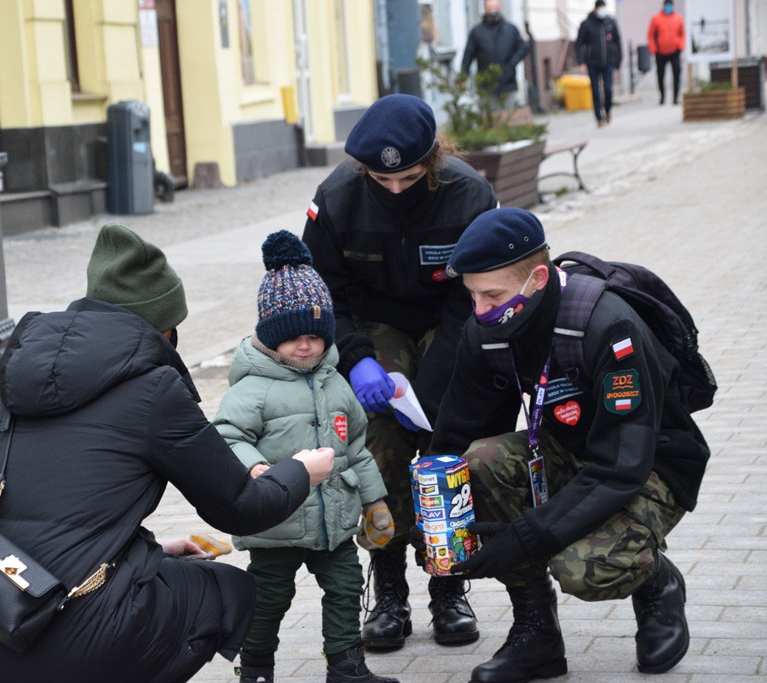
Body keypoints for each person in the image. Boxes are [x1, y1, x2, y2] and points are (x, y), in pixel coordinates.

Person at [0, 223, 336, 683]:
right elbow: (241, 507)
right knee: (225, 592)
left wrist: (150, 552)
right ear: (164, 324)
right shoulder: (153, 389)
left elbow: (44, 512)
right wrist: (301, 471)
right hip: (67, 637)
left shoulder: (20, 376)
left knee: (158, 580)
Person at [425, 207, 708, 682]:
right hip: (571, 452)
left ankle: (656, 580)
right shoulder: (487, 329)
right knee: (473, 467)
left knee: (586, 568)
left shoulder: (607, 327)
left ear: (537, 278)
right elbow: (458, 432)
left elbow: (620, 468)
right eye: (471, 295)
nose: (478, 310)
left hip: (649, 465)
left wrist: (527, 535)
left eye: (491, 294)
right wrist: (433, 515)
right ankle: (537, 635)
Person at [301, 93, 497, 651]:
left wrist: (434, 384)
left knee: (446, 439)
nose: (393, 188)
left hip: (451, 320)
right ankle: (388, 587)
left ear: (432, 160)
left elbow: (476, 296)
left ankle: (448, 584)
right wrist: (358, 356)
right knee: (376, 440)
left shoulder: (469, 194)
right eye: (380, 179)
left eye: (408, 178)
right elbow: (325, 295)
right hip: (372, 324)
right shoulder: (335, 199)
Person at [213, 231, 397, 683]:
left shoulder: (336, 382)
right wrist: (252, 466)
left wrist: (375, 503)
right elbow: (225, 436)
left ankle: (347, 665)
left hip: (334, 519)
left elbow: (356, 447)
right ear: (271, 336)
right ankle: (255, 667)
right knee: (269, 596)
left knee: (345, 586)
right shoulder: (252, 388)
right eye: (292, 336)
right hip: (276, 521)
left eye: (316, 335)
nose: (305, 345)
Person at [460, 0, 529, 110]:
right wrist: (463, 77)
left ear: (500, 8)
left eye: (495, 7)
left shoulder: (511, 29)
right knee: (490, 120)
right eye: (490, 7)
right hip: (486, 86)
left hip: (508, 83)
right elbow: (468, 56)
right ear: (485, 10)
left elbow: (522, 48)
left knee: (509, 117)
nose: (493, 10)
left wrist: (512, 64)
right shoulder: (477, 32)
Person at [575, 0, 622, 127]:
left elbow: (617, 42)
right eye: (601, 8)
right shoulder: (587, 24)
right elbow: (579, 44)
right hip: (593, 62)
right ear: (595, 9)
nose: (603, 10)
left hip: (608, 62)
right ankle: (598, 117)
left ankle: (607, 110)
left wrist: (618, 60)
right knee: (595, 91)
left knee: (608, 89)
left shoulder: (610, 23)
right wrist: (581, 62)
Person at [648, 1, 686, 105]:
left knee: (677, 73)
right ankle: (662, 96)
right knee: (660, 75)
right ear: (664, 6)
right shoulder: (656, 18)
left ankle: (675, 97)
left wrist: (680, 47)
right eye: (667, 6)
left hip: (675, 51)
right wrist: (654, 49)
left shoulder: (678, 18)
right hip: (661, 52)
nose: (668, 8)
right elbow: (651, 35)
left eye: (670, 6)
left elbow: (682, 34)